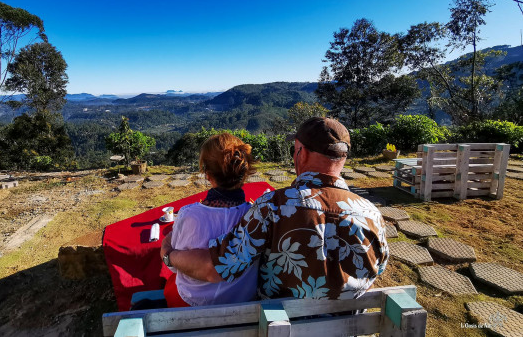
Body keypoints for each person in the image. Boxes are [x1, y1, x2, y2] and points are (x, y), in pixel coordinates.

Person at [161, 117, 389, 301]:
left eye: (295, 148)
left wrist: (170, 256)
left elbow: (220, 268)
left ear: (303, 152)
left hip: (281, 328)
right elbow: (375, 273)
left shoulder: (272, 207)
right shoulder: (373, 216)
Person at [163, 132, 259, 307]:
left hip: (192, 301)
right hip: (244, 302)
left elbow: (174, 266)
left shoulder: (189, 215)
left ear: (207, 174)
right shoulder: (255, 215)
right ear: (244, 172)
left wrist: (166, 244)